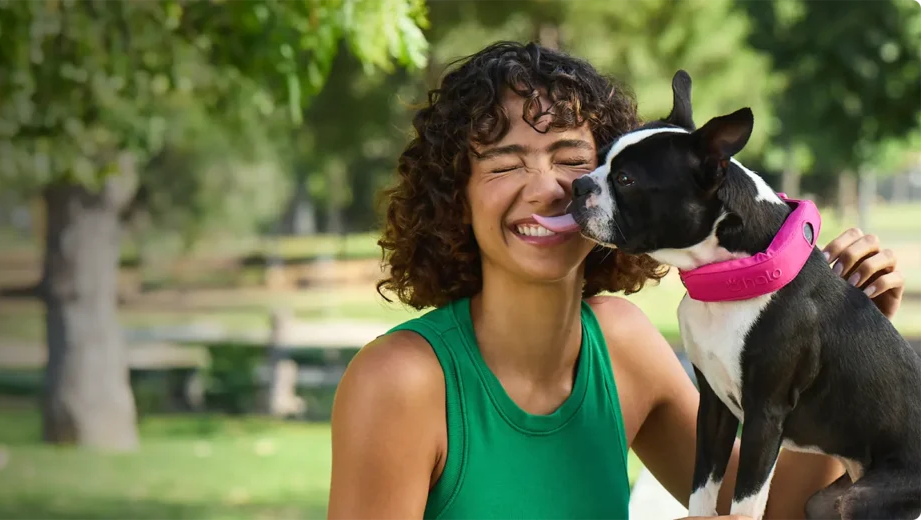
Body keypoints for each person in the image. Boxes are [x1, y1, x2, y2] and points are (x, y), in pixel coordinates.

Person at [326, 41, 906, 520]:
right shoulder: (400, 382)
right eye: (504, 164)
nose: (548, 188)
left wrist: (831, 347)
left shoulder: (621, 346)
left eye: (573, 158)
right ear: (455, 197)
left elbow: (769, 512)